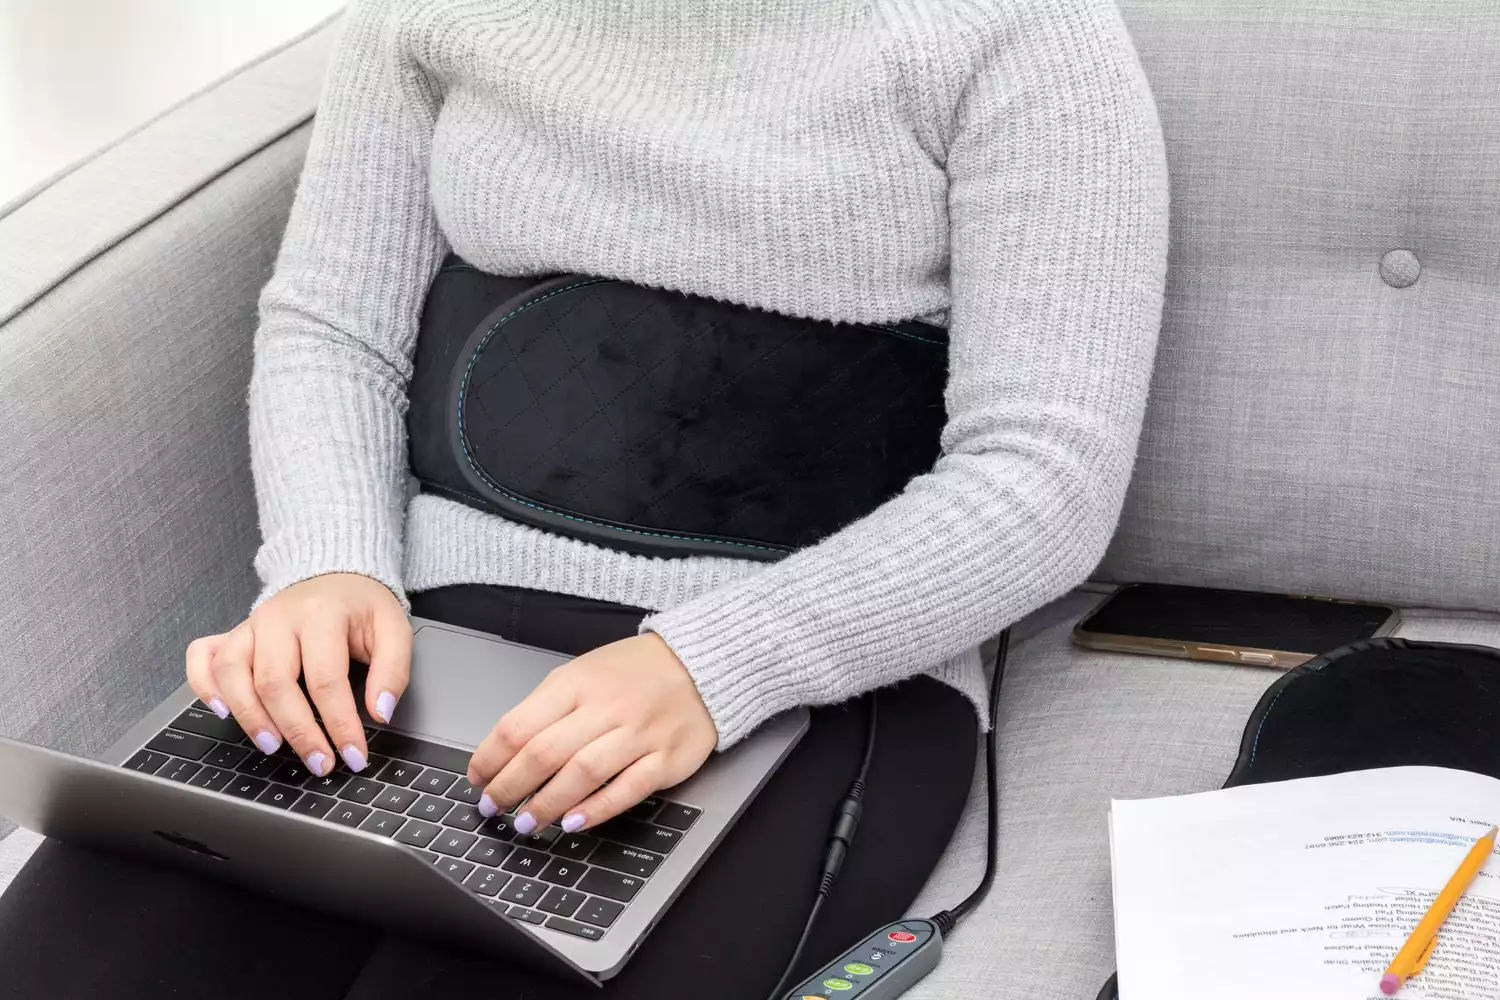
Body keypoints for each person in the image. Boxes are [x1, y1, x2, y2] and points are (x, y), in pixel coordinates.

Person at [0, 0, 1168, 997]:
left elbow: (1045, 476)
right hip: (419, 630)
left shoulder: (1021, 35)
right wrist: (325, 561)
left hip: (793, 680)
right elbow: (334, 325)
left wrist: (709, 671)